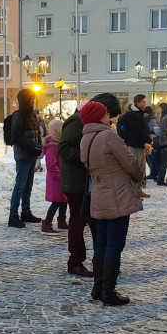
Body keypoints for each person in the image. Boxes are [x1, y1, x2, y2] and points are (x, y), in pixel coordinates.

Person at [79, 100, 142, 306]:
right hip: (118, 196)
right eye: (106, 114)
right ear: (99, 117)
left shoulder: (85, 138)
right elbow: (130, 163)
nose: (109, 117)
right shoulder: (108, 136)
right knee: (114, 244)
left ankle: (98, 288)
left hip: (99, 196)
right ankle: (108, 291)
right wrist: (139, 175)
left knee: (101, 243)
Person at [58, 93, 121, 278]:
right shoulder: (77, 121)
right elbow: (64, 147)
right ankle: (75, 262)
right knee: (78, 222)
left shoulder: (92, 122)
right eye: (108, 114)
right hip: (77, 183)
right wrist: (88, 155)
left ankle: (100, 259)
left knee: (96, 222)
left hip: (91, 182)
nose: (109, 119)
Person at [7, 88, 43, 228]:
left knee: (28, 185)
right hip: (23, 155)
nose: (32, 101)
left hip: (32, 154)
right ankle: (13, 215)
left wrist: (38, 146)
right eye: (30, 98)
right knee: (20, 185)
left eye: (33, 98)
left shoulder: (32, 115)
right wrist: (31, 147)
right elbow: (16, 136)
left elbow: (37, 133)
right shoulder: (18, 115)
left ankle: (26, 212)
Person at [116, 94, 153, 197]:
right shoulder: (131, 115)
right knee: (134, 169)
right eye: (143, 102)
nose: (145, 104)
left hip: (141, 146)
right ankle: (133, 191)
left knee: (141, 169)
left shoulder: (140, 114)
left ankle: (138, 189)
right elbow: (136, 131)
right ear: (137, 103)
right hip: (134, 145)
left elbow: (143, 130)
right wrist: (128, 139)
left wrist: (148, 140)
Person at [41, 118, 68, 235]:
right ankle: (46, 223)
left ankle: (61, 220)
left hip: (62, 178)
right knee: (56, 202)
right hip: (56, 180)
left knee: (64, 200)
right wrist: (61, 176)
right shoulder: (52, 146)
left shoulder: (59, 143)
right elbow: (51, 166)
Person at [146, 104, 163, 181]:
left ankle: (154, 173)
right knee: (149, 158)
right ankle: (153, 173)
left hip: (153, 141)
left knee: (152, 158)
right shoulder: (148, 119)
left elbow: (155, 131)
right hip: (149, 141)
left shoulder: (151, 120)